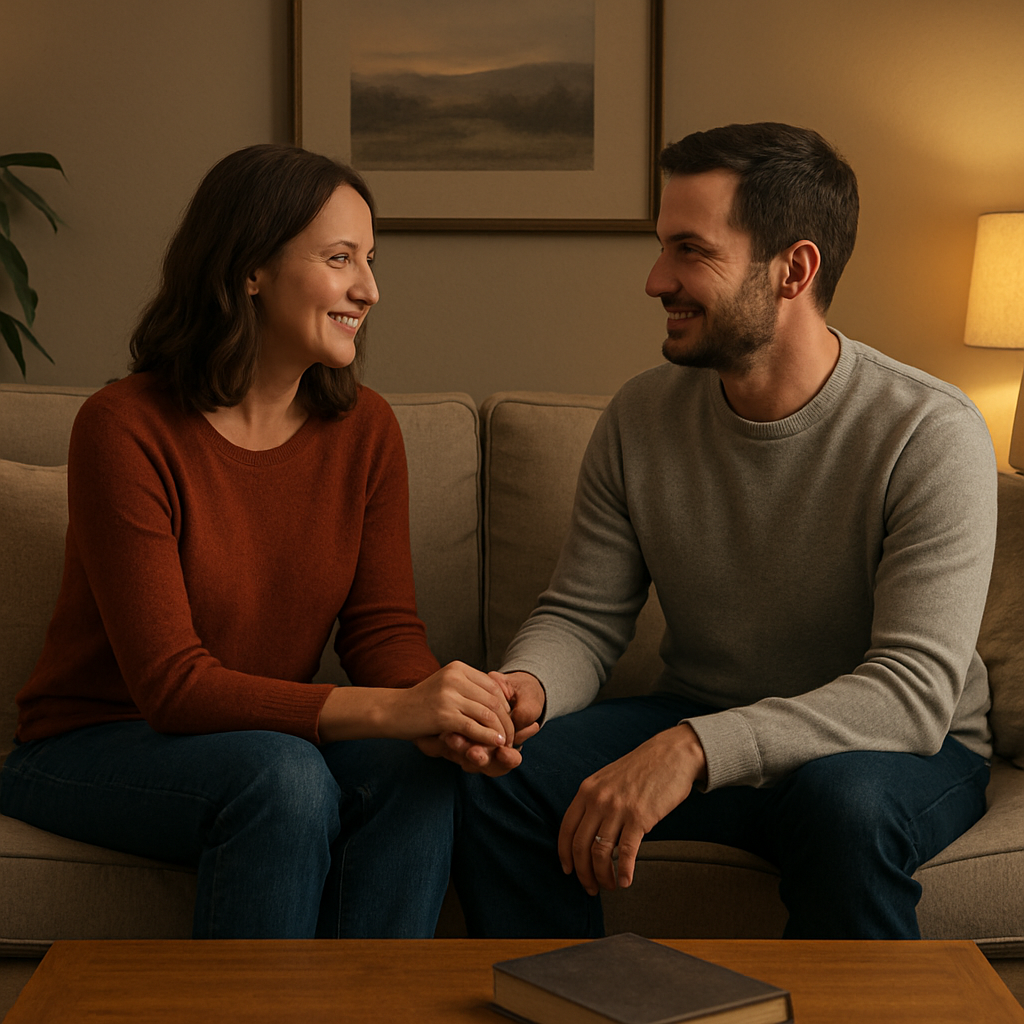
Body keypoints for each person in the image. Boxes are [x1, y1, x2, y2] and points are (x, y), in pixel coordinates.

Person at [449, 122, 998, 939]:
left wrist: (693, 750)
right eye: (660, 247)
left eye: (689, 251)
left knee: (842, 806)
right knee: (501, 780)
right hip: (707, 715)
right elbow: (583, 617)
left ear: (794, 270)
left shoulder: (930, 430)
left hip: (895, 751)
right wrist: (524, 688)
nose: (654, 279)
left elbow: (912, 693)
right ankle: (572, 1000)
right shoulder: (641, 416)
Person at [0, 144, 517, 939]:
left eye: (370, 260)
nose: (368, 289)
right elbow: (172, 685)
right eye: (340, 258)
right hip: (90, 744)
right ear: (250, 269)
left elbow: (381, 631)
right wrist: (392, 708)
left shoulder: (366, 430)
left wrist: (444, 716)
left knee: (416, 768)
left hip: (264, 745)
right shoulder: (124, 428)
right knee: (285, 778)